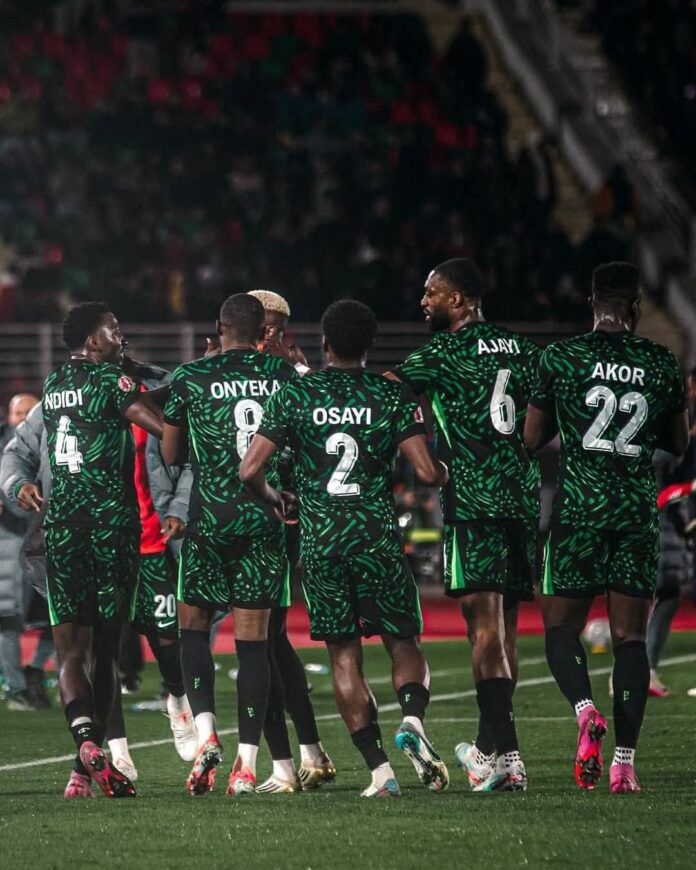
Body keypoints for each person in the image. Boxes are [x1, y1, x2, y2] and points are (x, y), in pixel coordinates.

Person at [240, 299, 450, 798]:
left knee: (343, 657)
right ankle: (412, 721)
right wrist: (444, 471)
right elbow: (425, 472)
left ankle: (380, 771)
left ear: (325, 343)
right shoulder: (390, 393)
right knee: (404, 643)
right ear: (370, 345)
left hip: (322, 542)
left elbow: (249, 469)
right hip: (376, 539)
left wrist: (275, 498)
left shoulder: (296, 394)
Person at [524, 262, 689, 794]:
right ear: (637, 305)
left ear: (592, 301)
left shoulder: (562, 357)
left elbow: (531, 437)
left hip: (578, 512)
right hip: (635, 514)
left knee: (560, 630)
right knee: (630, 641)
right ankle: (623, 765)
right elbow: (679, 444)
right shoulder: (660, 361)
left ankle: (585, 710)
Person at [389, 259, 540, 793]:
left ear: (457, 299)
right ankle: (487, 751)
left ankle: (510, 761)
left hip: (474, 500)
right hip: (521, 498)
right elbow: (544, 416)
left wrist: (420, 444)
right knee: (506, 630)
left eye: (431, 292)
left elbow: (386, 390)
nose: (423, 301)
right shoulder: (523, 348)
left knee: (483, 630)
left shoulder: (443, 351)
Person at [162, 293, 298, 797]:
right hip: (264, 518)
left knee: (193, 630)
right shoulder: (283, 374)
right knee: (254, 644)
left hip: (209, 520)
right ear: (262, 330)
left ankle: (205, 734)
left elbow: (171, 453)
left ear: (219, 329)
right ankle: (246, 765)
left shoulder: (191, 375)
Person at [42, 302, 164, 799]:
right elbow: (155, 422)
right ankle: (90, 755)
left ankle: (83, 755)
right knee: (107, 651)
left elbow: (112, 397)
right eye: (114, 330)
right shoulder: (112, 382)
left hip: (61, 525)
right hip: (111, 526)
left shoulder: (52, 384)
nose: (121, 336)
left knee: (70, 651)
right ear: (93, 342)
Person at [247, 289, 333, 794]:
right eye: (265, 326)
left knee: (262, 641)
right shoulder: (249, 372)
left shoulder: (295, 378)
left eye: (276, 327)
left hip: (279, 518)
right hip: (249, 519)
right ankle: (311, 752)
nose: (270, 335)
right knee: (273, 642)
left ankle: (286, 764)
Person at [0, 392, 39, 710]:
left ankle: (35, 672)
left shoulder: (50, 439)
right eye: (18, 412)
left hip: (45, 537)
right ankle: (16, 687)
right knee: (8, 616)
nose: (23, 418)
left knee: (59, 615)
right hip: (10, 539)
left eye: (30, 411)